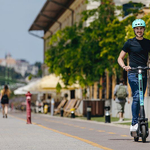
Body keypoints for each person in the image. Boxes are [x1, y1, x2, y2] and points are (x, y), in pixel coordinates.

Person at [118, 19, 150, 132]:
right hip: (132, 73)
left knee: (141, 96)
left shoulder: (148, 43)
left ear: (144, 29)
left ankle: (140, 118)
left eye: (141, 28)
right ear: (134, 30)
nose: (139, 30)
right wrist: (124, 67)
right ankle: (134, 123)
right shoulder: (129, 42)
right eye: (137, 28)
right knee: (137, 96)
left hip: (144, 72)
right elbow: (120, 58)